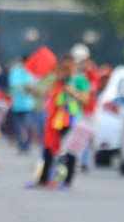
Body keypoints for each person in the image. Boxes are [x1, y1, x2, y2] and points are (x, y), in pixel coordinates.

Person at [30, 53, 89, 188]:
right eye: (64, 67)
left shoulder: (79, 79)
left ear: (73, 66)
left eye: (68, 67)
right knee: (49, 148)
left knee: (69, 150)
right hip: (56, 118)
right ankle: (44, 178)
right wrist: (56, 82)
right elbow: (47, 94)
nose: (66, 70)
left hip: (71, 118)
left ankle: (67, 180)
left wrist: (72, 91)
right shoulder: (58, 79)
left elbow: (85, 99)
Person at [7, 56, 38, 154]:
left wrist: (29, 89)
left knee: (28, 126)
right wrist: (25, 89)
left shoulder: (31, 72)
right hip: (17, 105)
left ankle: (27, 145)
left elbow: (34, 88)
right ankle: (21, 145)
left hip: (28, 105)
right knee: (18, 127)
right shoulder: (15, 72)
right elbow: (14, 86)